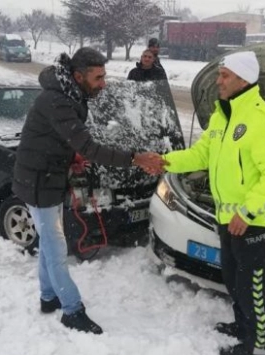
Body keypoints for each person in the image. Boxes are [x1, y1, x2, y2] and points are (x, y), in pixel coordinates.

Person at [12, 47, 164, 335]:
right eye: (98, 78)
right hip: (38, 184)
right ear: (78, 76)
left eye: (104, 76)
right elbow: (89, 146)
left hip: (48, 179)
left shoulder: (70, 94)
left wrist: (73, 157)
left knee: (48, 242)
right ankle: (72, 310)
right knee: (56, 249)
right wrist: (135, 158)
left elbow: (65, 141)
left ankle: (48, 297)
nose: (103, 84)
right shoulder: (57, 101)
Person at [160, 51, 265, 355]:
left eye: (225, 76)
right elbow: (200, 156)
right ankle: (243, 325)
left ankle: (258, 345)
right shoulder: (223, 116)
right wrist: (165, 161)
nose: (218, 81)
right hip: (226, 218)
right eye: (219, 75)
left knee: (253, 287)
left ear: (243, 79)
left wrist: (247, 213)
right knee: (234, 281)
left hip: (254, 222)